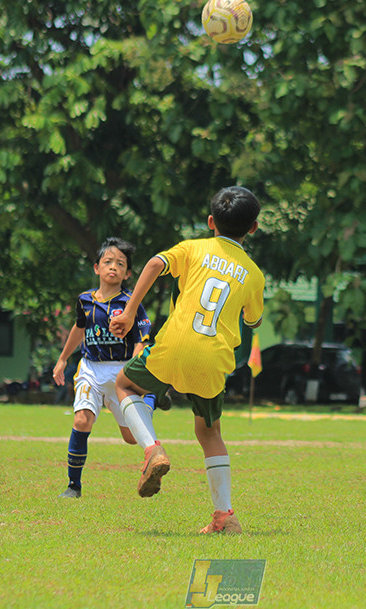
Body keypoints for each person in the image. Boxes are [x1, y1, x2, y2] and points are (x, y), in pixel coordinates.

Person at [110, 186, 265, 535]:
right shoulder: (254, 274)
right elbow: (254, 320)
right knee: (209, 431)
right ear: (253, 228)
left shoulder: (194, 248)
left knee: (123, 384)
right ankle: (224, 516)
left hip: (174, 345)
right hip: (213, 359)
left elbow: (154, 263)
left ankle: (152, 450)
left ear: (211, 221)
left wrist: (131, 311)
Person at [51, 237, 160, 500]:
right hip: (91, 368)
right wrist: (64, 358)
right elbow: (80, 328)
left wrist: (134, 367)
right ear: (96, 267)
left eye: (120, 264)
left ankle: (153, 397)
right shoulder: (85, 301)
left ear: (128, 273)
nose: (113, 267)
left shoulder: (131, 302)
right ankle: (73, 485)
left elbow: (140, 339)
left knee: (131, 438)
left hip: (122, 373)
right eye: (108, 262)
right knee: (81, 420)